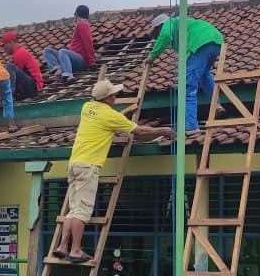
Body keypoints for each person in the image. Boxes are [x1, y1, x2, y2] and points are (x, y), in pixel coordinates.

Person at [54, 79, 174, 262]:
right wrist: (163, 131)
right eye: (113, 95)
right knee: (82, 212)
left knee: (73, 209)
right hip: (89, 165)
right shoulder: (110, 116)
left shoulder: (87, 107)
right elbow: (139, 132)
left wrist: (120, 119)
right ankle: (76, 250)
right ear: (108, 98)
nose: (116, 97)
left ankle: (62, 246)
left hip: (75, 163)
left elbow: (105, 122)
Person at [147, 13, 224, 135]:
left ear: (159, 27)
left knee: (187, 87)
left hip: (200, 43)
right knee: (204, 74)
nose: (158, 37)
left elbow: (165, 36)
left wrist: (152, 57)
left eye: (157, 34)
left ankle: (192, 127)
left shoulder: (169, 23)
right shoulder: (182, 27)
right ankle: (217, 104)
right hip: (215, 41)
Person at [42, 5, 97, 82]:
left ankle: (68, 74)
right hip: (71, 59)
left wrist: (91, 62)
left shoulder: (82, 24)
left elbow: (88, 44)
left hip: (81, 60)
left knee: (62, 51)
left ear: (77, 14)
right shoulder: (81, 25)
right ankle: (58, 69)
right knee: (47, 51)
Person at [0, 31, 44, 101]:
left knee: (9, 67)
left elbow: (15, 78)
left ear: (10, 42)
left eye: (4, 45)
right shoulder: (19, 52)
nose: (3, 48)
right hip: (30, 86)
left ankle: (9, 97)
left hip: (33, 87)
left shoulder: (19, 53)